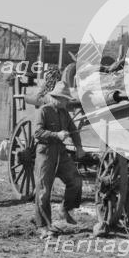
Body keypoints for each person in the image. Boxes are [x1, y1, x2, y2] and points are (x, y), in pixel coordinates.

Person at [34, 80, 85, 238]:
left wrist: (79, 147)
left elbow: (73, 130)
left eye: (66, 99)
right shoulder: (44, 111)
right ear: (55, 98)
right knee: (43, 191)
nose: (65, 102)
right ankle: (42, 226)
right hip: (46, 153)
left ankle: (65, 208)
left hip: (60, 153)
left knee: (76, 180)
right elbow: (37, 133)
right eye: (63, 99)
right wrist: (57, 135)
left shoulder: (64, 113)